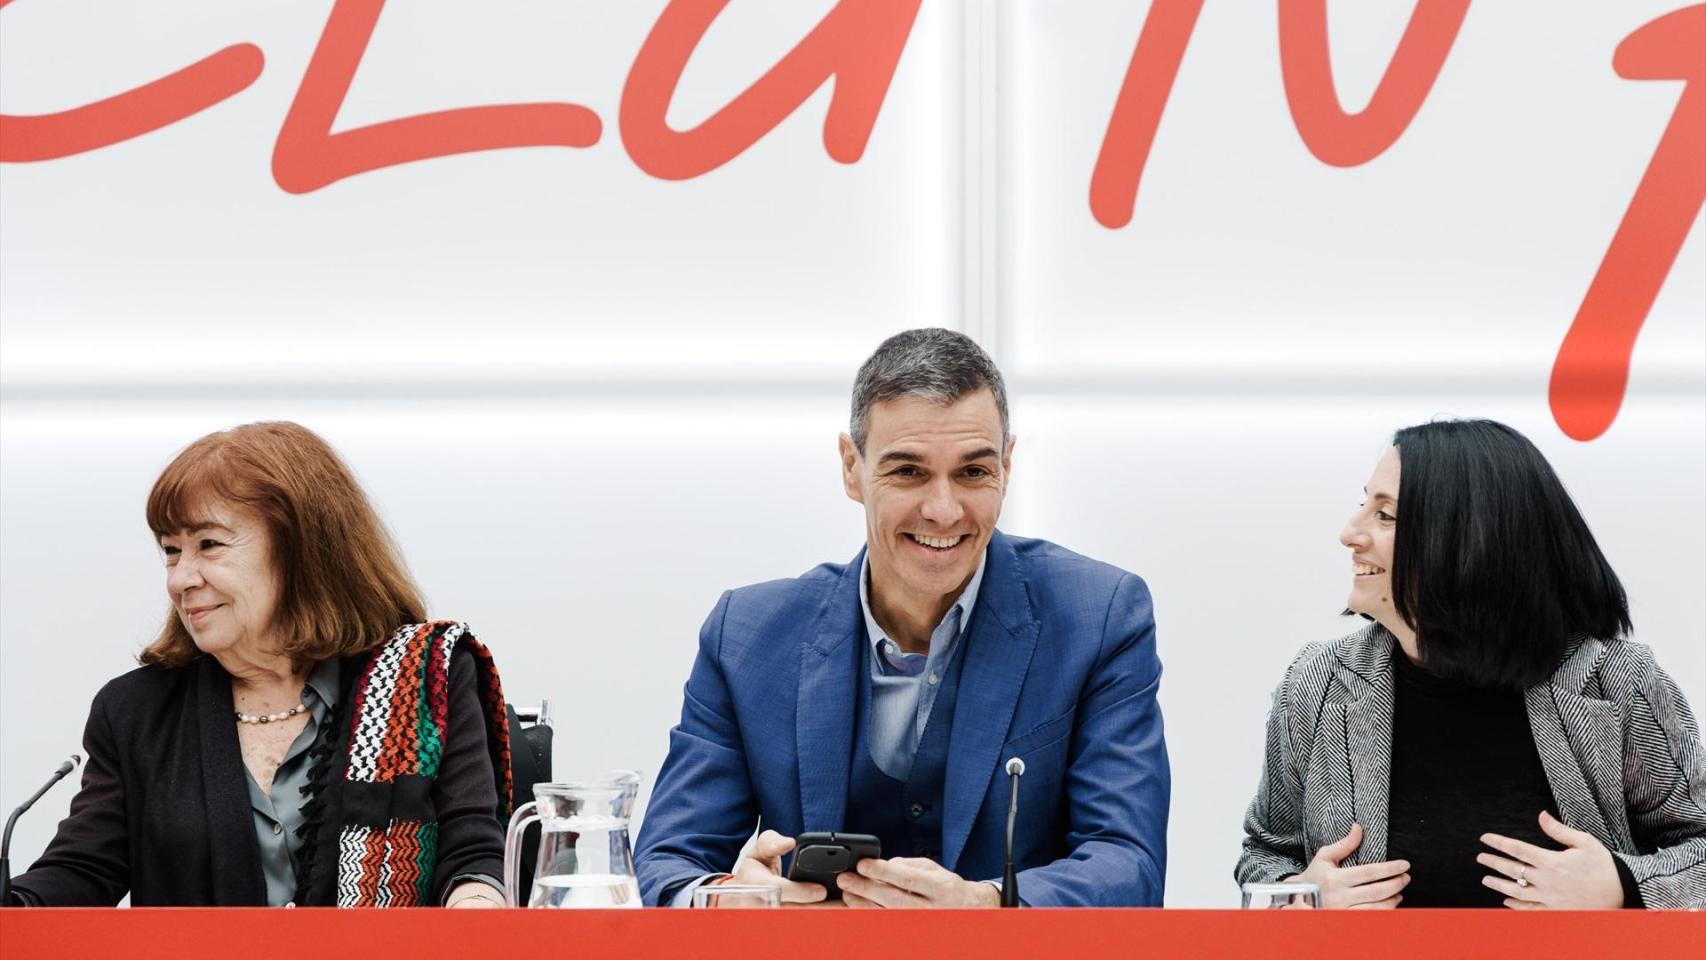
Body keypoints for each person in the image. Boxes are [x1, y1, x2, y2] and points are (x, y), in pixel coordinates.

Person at [635, 328, 1169, 907]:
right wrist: (726, 897)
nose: (943, 510)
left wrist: (990, 909)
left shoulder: (1101, 616)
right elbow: (668, 862)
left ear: (1007, 466)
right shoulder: (746, 634)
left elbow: (1128, 864)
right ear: (850, 468)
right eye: (908, 472)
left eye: (973, 472)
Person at [9, 422, 513, 907]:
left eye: (209, 545)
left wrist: (476, 910)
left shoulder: (425, 679)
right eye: (170, 551)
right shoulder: (135, 711)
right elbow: (82, 871)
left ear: (300, 549)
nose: (182, 578)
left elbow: (470, 856)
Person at [1236, 419, 1706, 909]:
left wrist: (1623, 888)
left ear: (1465, 537)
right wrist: (1302, 898)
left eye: (1386, 516)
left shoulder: (1616, 681)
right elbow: (1266, 853)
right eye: (1364, 506)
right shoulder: (1318, 680)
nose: (1349, 533)